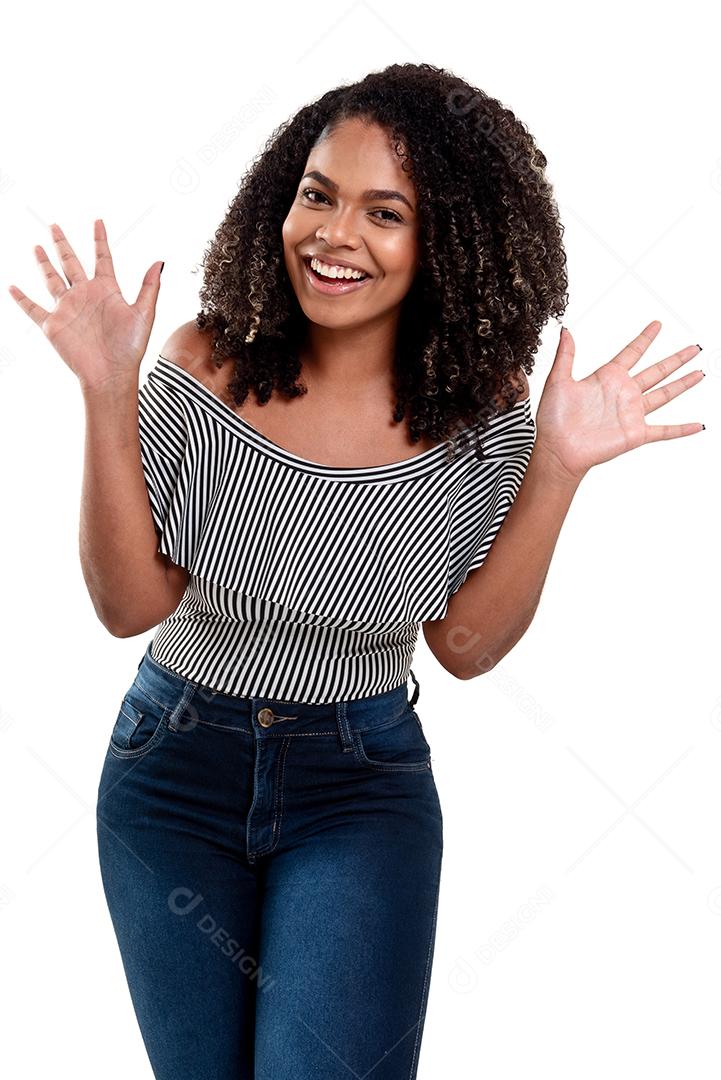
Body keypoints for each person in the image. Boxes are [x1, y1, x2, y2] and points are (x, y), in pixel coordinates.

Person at [8, 62, 704, 1080]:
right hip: (171, 769)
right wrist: (107, 396)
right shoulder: (206, 365)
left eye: (385, 212)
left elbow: (462, 650)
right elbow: (127, 606)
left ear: (448, 243)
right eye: (316, 195)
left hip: (356, 784)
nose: (333, 234)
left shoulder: (483, 418)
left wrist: (555, 467)